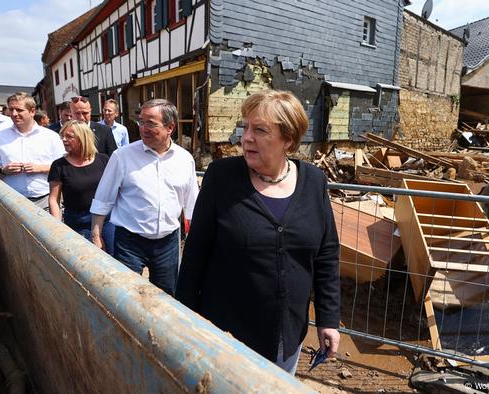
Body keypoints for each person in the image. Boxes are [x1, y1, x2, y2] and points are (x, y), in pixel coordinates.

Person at [175, 90, 340, 374]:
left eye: (260, 130)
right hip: (226, 337)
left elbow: (326, 254)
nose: (246, 137)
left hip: (285, 338)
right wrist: (183, 322)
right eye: (246, 127)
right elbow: (194, 255)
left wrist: (328, 319)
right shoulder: (221, 177)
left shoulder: (314, 182)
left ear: (288, 139)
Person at [90, 99, 198, 296]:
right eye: (141, 122)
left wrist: (193, 237)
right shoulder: (122, 156)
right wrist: (96, 234)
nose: (143, 128)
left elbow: (191, 203)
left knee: (166, 296)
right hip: (129, 242)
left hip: (168, 243)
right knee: (126, 295)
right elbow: (104, 197)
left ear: (170, 127)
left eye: (151, 123)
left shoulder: (185, 159)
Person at [0, 92, 66, 209]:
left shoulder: (50, 137)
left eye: (19, 110)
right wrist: (3, 170)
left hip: (45, 200)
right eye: (11, 109)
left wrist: (40, 168)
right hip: (12, 201)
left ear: (32, 111)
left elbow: (64, 166)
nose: (14, 114)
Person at [49, 121, 114, 255]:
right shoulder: (58, 166)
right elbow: (54, 199)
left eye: (69, 136)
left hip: (106, 219)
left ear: (83, 138)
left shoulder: (103, 160)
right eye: (63, 136)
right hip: (78, 221)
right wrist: (58, 229)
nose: (64, 140)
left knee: (114, 259)